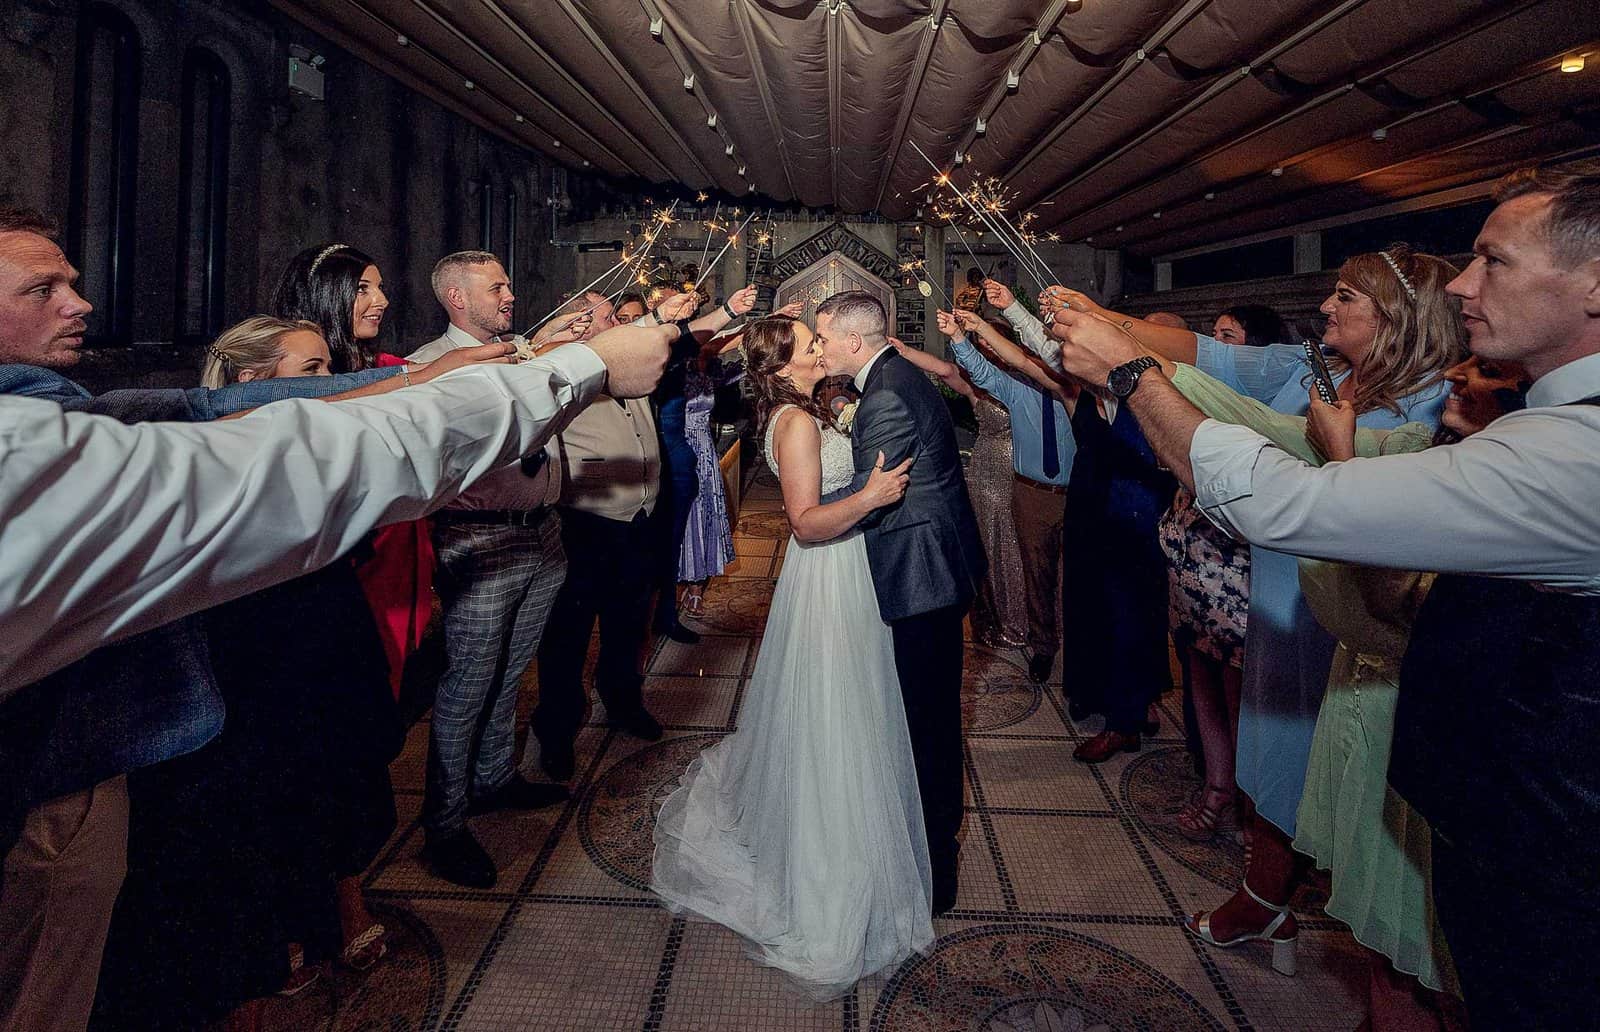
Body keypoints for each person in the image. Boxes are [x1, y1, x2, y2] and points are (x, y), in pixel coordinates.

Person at [1046, 162, 1600, 1030]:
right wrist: (1113, 340)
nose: (1464, 283)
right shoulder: (1500, 414)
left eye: (1492, 260)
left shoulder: (1547, 443)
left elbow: (1289, 495)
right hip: (1480, 786)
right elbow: (1244, 395)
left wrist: (1130, 370)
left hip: (1546, 844)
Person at [1042, 245, 1459, 942]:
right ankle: (1265, 893)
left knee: (1359, 776)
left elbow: (1272, 438)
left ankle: (1346, 919)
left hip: (1358, 608)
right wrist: (1100, 318)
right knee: (1275, 747)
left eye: (1346, 297)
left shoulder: (1437, 407)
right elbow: (1206, 358)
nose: (1325, 306)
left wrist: (1130, 365)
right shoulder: (1311, 366)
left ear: (1397, 319)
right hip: (1280, 588)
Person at [92, 320, 403, 1031]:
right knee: (260, 816)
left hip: (326, 627)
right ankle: (271, 956)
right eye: (312, 369)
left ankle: (335, 911)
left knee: (338, 783)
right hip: (255, 650)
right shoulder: (200, 452)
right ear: (252, 381)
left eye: (329, 367)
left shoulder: (321, 437)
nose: (330, 382)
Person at [651, 314, 928, 996]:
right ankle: (829, 859)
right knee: (836, 708)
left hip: (842, 569)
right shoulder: (796, 424)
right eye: (810, 344)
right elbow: (804, 525)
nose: (821, 347)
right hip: (828, 568)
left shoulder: (807, 410)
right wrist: (871, 495)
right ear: (782, 366)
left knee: (845, 704)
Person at [812, 290, 985, 916]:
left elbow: (872, 494)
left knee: (929, 720)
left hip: (923, 572)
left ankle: (938, 863)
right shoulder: (894, 376)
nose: (818, 348)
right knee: (921, 709)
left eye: (823, 337)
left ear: (853, 341)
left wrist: (810, 513)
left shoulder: (884, 394)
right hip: (937, 561)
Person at [405, 251, 572, 889]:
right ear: (456, 297)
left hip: (542, 534)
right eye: (495, 287)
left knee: (511, 672)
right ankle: (445, 826)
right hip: (480, 540)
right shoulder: (426, 368)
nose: (509, 295)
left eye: (507, 284)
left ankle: (495, 779)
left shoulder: (520, 351)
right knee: (466, 685)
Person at [982, 280, 1174, 762]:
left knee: (1138, 613)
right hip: (1090, 511)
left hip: (1138, 517)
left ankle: (1132, 711)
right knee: (1092, 607)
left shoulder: (1164, 401)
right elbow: (1040, 358)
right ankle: (1107, 700)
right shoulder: (1092, 388)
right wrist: (1008, 311)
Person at [271, 243, 432, 698]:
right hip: (343, 557)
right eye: (363, 289)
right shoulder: (288, 373)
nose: (381, 300)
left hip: (395, 550)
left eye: (379, 288)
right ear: (325, 293)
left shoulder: (384, 366)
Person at [1158, 303, 1291, 842]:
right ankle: (1216, 785)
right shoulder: (1198, 399)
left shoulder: (1268, 407)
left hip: (1236, 565)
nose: (1216, 344)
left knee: (1242, 693)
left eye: (1228, 337)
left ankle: (1252, 806)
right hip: (1194, 562)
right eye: (1212, 334)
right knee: (1202, 680)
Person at [941, 305, 1076, 680]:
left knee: (1077, 576)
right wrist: (958, 338)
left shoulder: (1079, 393)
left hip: (1079, 494)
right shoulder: (1017, 392)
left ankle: (1080, 650)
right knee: (1036, 573)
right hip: (1032, 494)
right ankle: (1043, 647)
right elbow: (981, 373)